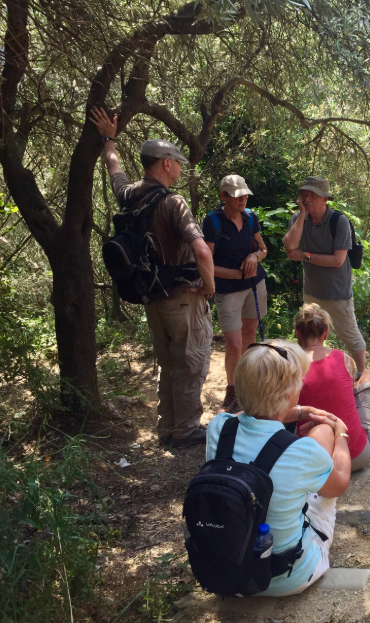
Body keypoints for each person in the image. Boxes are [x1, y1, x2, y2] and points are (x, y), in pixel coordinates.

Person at [90, 108, 215, 449]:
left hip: (152, 298)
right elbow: (202, 252)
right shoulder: (174, 203)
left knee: (169, 364)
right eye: (175, 160)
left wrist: (108, 139)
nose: (177, 166)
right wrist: (210, 287)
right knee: (190, 363)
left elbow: (114, 168)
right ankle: (186, 430)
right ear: (164, 163)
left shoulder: (129, 195)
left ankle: (167, 428)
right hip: (182, 296)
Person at [206, 340, 351, 596]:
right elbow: (339, 485)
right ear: (289, 394)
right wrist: (341, 436)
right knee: (323, 456)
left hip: (226, 571)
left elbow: (243, 415)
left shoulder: (218, 427)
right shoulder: (302, 451)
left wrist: (299, 411)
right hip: (288, 577)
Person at [283, 177, 367, 375]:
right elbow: (289, 246)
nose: (307, 199)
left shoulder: (339, 221)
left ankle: (362, 375)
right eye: (304, 195)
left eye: (313, 195)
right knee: (308, 336)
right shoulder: (298, 219)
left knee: (350, 335)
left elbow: (337, 261)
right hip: (311, 291)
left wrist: (304, 256)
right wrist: (302, 215)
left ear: (325, 199)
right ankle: (310, 374)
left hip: (337, 292)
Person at [202, 175, 269, 413]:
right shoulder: (212, 222)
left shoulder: (250, 217)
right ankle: (232, 390)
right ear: (223, 196)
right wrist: (236, 275)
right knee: (233, 344)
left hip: (254, 285)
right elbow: (206, 262)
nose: (243, 198)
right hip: (228, 290)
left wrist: (254, 256)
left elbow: (263, 249)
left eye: (245, 194)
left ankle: (246, 386)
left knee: (250, 334)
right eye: (237, 195)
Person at [293, 304, 370, 471]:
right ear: (326, 333)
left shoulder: (289, 366)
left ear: (297, 332)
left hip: (312, 460)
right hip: (356, 457)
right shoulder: (344, 359)